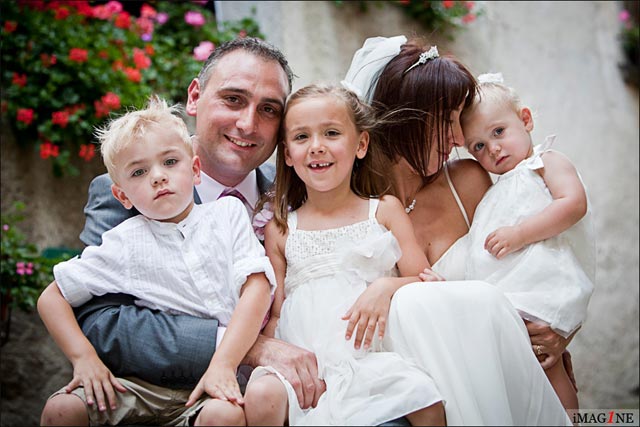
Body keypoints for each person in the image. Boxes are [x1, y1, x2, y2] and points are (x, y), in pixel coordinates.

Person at [71, 37, 328, 413]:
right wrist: (242, 347)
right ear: (195, 96)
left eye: (269, 109)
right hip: (179, 402)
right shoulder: (130, 193)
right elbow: (104, 323)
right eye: (233, 99)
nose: (248, 123)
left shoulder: (304, 191)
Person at [342, 35, 573, 425]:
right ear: (404, 118)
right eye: (445, 121)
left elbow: (538, 264)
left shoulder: (467, 180)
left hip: (501, 384)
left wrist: (560, 331)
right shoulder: (357, 207)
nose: (460, 138)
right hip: (425, 401)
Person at [38, 96, 275, 426]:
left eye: (170, 162)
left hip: (213, 379)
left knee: (226, 416)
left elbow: (258, 288)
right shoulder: (123, 242)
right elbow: (52, 297)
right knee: (62, 409)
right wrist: (84, 358)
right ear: (122, 196)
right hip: (140, 384)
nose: (158, 177)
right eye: (138, 171)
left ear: (194, 169)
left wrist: (224, 362)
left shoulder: (227, 215)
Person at [241, 84, 445, 426]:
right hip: (305, 360)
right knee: (263, 396)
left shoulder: (383, 212)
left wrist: (385, 287)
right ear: (288, 154)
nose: (317, 147)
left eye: (332, 133)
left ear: (360, 144)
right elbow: (276, 312)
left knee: (426, 400)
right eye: (302, 137)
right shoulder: (281, 229)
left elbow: (423, 281)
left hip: (371, 357)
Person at [459, 72, 594, 410]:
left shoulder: (545, 162)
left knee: (547, 365)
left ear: (526, 120)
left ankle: (569, 418)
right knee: (520, 372)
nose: (493, 148)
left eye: (499, 132)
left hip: (542, 284)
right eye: (479, 146)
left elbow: (573, 203)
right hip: (509, 291)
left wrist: (520, 234)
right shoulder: (495, 189)